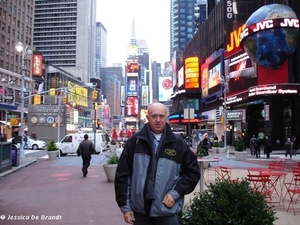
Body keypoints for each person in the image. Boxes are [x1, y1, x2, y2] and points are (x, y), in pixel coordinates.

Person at [114, 102, 200, 225]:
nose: (158, 120)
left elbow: (193, 172)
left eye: (161, 116)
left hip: (167, 209)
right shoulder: (135, 142)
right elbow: (122, 175)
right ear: (147, 118)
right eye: (154, 116)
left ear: (167, 118)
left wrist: (175, 193)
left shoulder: (178, 143)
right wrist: (125, 207)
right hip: (140, 211)